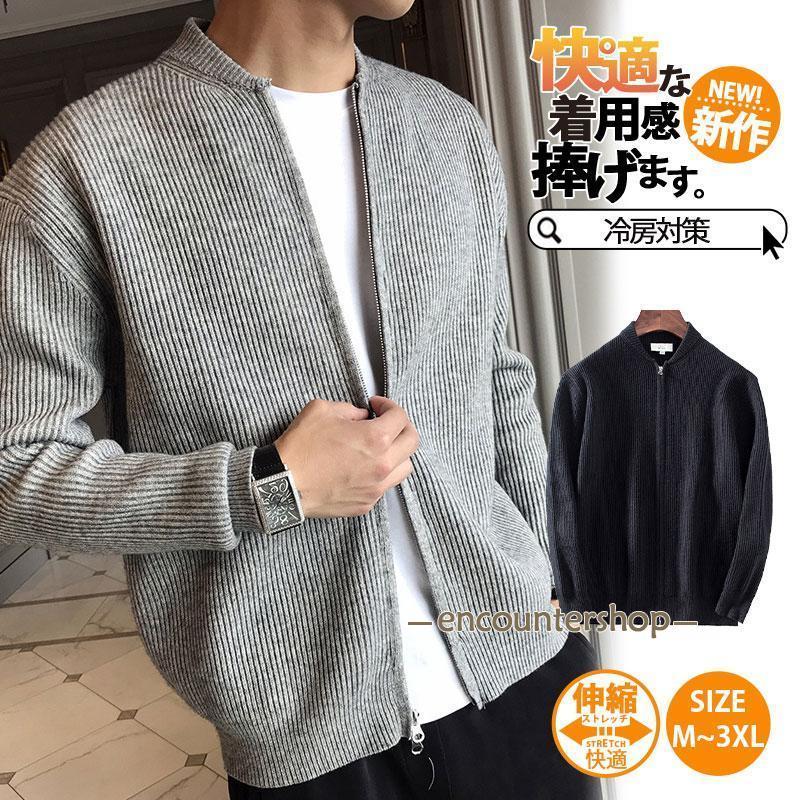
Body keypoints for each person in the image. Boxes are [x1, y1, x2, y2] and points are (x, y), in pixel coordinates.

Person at [0, 1, 598, 797]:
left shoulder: (448, 128)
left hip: (527, 671)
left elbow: (496, 374)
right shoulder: (86, 162)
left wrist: (554, 572)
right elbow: (17, 468)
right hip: (308, 745)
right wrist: (267, 484)